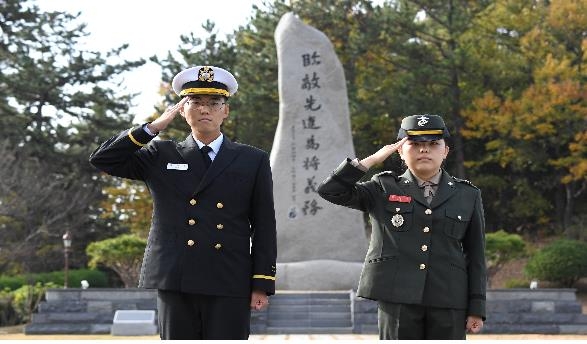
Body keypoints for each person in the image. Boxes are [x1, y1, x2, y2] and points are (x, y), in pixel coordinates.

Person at [89, 65, 277, 340]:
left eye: (214, 103)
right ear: (182, 109)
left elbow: (264, 224)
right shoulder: (160, 153)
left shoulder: (252, 159)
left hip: (228, 276)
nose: (205, 110)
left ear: (226, 111)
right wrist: (152, 128)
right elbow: (103, 159)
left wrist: (261, 282)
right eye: (195, 102)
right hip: (177, 276)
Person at [317, 114, 486, 340]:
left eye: (433, 144)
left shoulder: (467, 194)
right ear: (399, 151)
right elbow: (330, 191)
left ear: (445, 151)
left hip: (449, 298)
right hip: (396, 296)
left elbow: (476, 255)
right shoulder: (382, 187)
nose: (424, 150)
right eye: (415, 144)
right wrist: (371, 161)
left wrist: (477, 307)